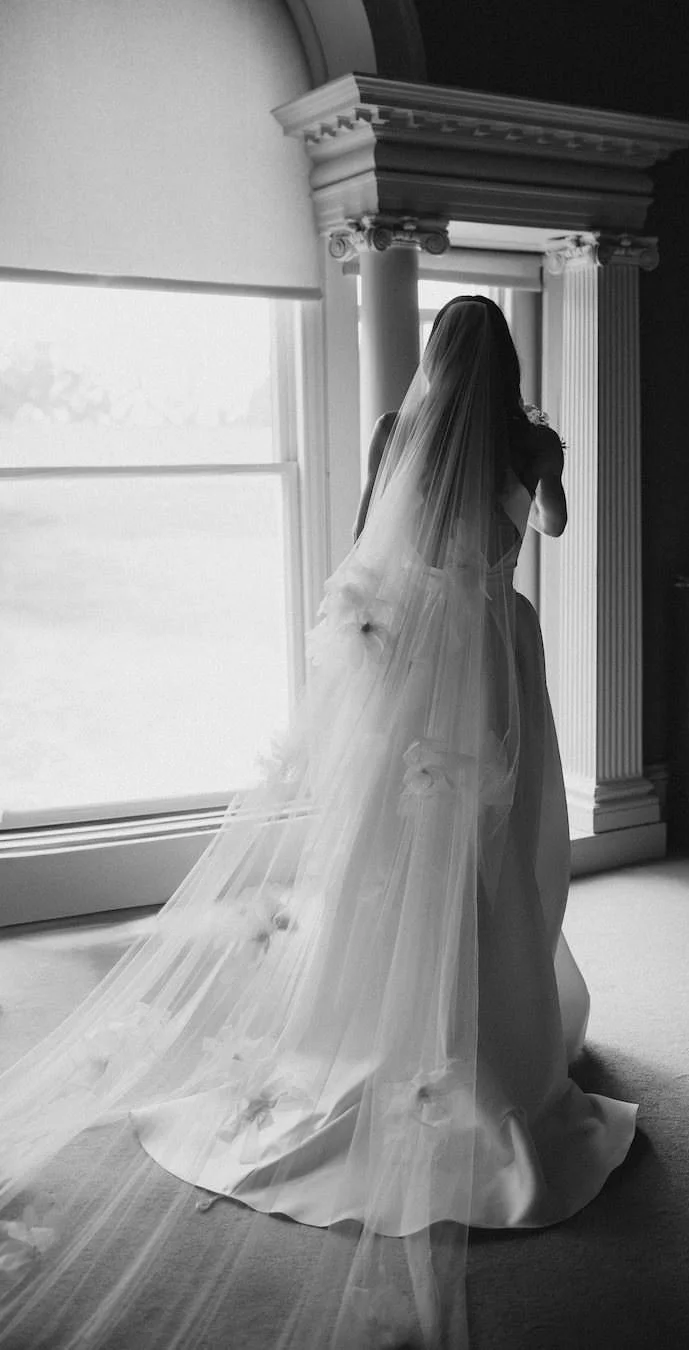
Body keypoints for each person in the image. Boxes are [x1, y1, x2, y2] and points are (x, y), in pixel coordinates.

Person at [0, 296, 636, 1349]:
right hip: (494, 652)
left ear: (435, 357)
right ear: (511, 359)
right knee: (497, 851)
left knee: (394, 852)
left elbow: (366, 550)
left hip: (416, 661)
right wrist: (533, 483)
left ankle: (384, 1020)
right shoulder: (529, 440)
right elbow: (558, 528)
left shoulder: (401, 434)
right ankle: (493, 1031)